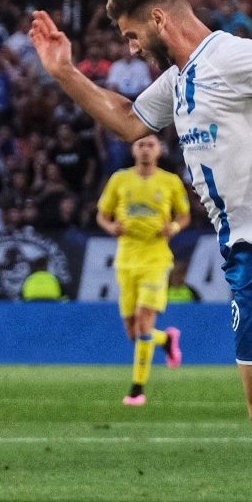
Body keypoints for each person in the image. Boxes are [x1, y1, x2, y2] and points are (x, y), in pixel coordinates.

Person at [30, 0, 252, 426]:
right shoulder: (180, 78)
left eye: (132, 35)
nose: (132, 47)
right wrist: (64, 72)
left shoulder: (229, 57)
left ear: (159, 19)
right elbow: (128, 121)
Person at [96, 134, 190, 406]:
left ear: (159, 150)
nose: (146, 150)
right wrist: (111, 227)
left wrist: (172, 227)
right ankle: (166, 340)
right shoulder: (119, 179)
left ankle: (137, 389)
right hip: (126, 258)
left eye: (151, 145)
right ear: (133, 149)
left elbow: (184, 216)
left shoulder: (170, 182)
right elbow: (102, 214)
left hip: (156, 258)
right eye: (141, 145)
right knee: (134, 332)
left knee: (144, 320)